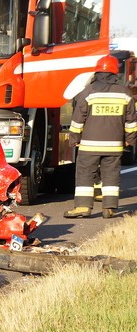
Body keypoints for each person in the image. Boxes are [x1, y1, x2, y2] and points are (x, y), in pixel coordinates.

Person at [64, 55, 137, 219]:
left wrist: (74, 138)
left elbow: (78, 118)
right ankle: (109, 207)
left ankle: (83, 207)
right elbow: (131, 120)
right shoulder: (125, 93)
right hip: (114, 146)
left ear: (97, 72)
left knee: (85, 174)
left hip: (89, 146)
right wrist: (130, 140)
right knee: (111, 175)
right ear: (115, 72)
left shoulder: (89, 92)